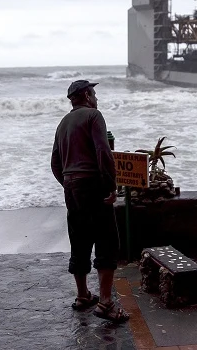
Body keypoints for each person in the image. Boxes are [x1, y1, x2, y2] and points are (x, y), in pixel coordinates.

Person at [50, 79, 130, 323]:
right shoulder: (94, 116)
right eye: (94, 93)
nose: (96, 97)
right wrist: (111, 186)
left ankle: (83, 295)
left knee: (79, 237)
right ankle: (106, 303)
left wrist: (68, 184)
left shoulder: (63, 123)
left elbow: (55, 163)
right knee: (107, 240)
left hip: (71, 186)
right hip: (92, 183)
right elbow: (103, 152)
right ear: (86, 95)